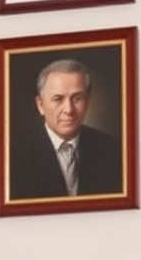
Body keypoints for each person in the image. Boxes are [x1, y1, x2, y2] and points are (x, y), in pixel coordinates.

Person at [10, 57, 123, 201]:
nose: (69, 110)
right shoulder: (16, 156)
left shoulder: (109, 148)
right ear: (40, 105)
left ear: (87, 102)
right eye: (58, 99)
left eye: (77, 98)